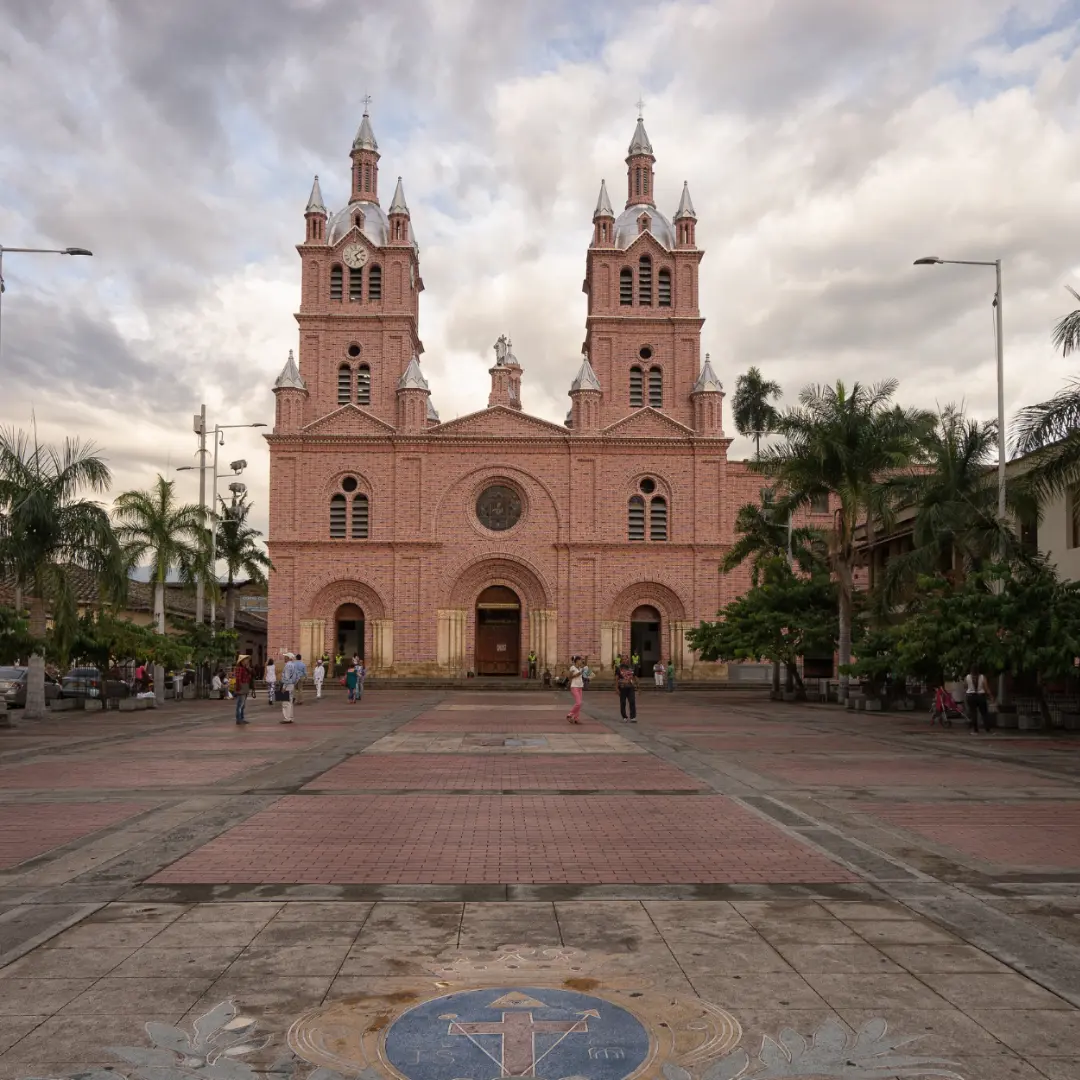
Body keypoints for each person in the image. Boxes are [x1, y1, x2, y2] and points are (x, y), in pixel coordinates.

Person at [964, 666, 992, 734]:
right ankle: (987, 729)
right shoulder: (982, 677)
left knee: (973, 713)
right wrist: (990, 696)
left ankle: (975, 730)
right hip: (981, 696)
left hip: (971, 696)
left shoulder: (967, 677)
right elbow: (986, 687)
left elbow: (965, 686)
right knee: (984, 713)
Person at [616, 657, 637, 722]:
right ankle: (624, 716)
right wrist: (616, 688)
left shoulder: (631, 668)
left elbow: (634, 677)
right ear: (622, 661)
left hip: (630, 687)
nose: (625, 661)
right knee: (623, 702)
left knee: (632, 701)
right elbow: (616, 678)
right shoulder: (618, 668)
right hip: (622, 687)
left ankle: (633, 717)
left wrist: (637, 686)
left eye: (627, 660)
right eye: (624, 659)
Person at [233, 655, 253, 725]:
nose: (247, 661)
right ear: (242, 661)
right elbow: (238, 679)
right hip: (242, 687)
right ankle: (239, 719)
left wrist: (248, 668)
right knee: (240, 704)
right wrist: (238, 687)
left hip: (245, 687)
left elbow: (252, 673)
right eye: (245, 660)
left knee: (243, 705)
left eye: (247, 660)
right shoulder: (239, 668)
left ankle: (242, 718)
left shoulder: (245, 668)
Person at [566, 655, 585, 724]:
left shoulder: (580, 668)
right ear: (577, 661)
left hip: (580, 686)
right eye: (580, 660)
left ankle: (576, 718)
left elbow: (584, 674)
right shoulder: (572, 668)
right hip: (574, 686)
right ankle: (569, 715)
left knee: (579, 703)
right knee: (578, 703)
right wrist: (578, 674)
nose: (581, 661)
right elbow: (569, 677)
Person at [280, 653, 299, 724]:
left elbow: (286, 677)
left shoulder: (287, 665)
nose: (284, 658)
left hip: (287, 685)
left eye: (285, 657)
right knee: (290, 702)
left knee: (285, 702)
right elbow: (297, 677)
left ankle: (287, 718)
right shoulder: (294, 665)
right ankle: (290, 717)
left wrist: (284, 687)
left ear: (289, 658)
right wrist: (294, 683)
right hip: (292, 685)